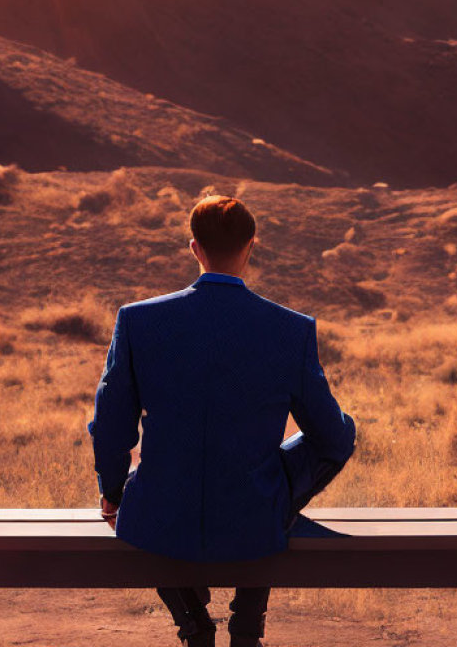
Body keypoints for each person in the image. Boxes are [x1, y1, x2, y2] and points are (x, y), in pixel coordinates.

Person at [87, 195, 356, 647]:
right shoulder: (291, 329)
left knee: (151, 487)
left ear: (195, 248)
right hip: (254, 511)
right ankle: (249, 618)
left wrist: (114, 493)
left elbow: (109, 425)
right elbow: (329, 437)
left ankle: (193, 621)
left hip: (160, 512)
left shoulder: (137, 321)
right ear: (251, 245)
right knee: (320, 444)